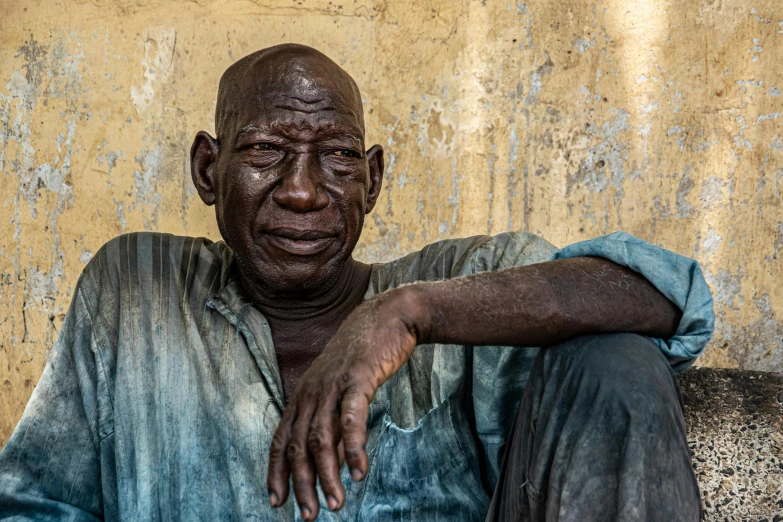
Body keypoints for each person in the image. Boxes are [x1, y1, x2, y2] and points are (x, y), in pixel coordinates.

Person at [0, 44, 713, 522]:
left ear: (371, 179)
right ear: (207, 172)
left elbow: (664, 297)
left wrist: (404, 314)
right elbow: (33, 505)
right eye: (265, 151)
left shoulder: (462, 284)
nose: (303, 191)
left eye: (336, 157)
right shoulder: (136, 288)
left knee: (614, 361)